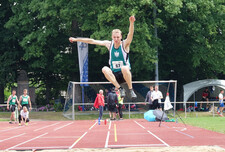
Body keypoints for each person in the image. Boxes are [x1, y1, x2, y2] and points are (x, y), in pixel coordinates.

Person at [69, 16, 137, 98]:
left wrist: (131, 22)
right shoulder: (109, 44)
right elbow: (92, 41)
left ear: (121, 37)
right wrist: (76, 39)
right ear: (112, 37)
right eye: (114, 37)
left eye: (118, 37)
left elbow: (130, 34)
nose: (116, 39)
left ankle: (130, 90)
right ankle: (120, 88)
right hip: (115, 76)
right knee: (104, 69)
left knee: (124, 68)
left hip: (125, 75)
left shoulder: (125, 44)